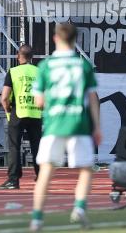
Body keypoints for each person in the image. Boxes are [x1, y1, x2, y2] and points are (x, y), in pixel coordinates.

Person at [30, 22, 101, 232]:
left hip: (54, 124)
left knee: (46, 172)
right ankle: (79, 208)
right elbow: (92, 98)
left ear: (55, 39)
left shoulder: (46, 66)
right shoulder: (83, 65)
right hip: (78, 123)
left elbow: (38, 101)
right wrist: (97, 127)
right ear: (75, 40)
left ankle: (37, 218)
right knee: (86, 169)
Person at [0, 44, 42, 190]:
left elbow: (4, 97)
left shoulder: (13, 71)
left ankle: (13, 180)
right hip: (35, 113)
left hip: (18, 111)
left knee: (14, 146)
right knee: (37, 146)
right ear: (32, 57)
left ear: (18, 56)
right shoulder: (39, 72)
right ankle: (41, 176)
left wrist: (8, 110)